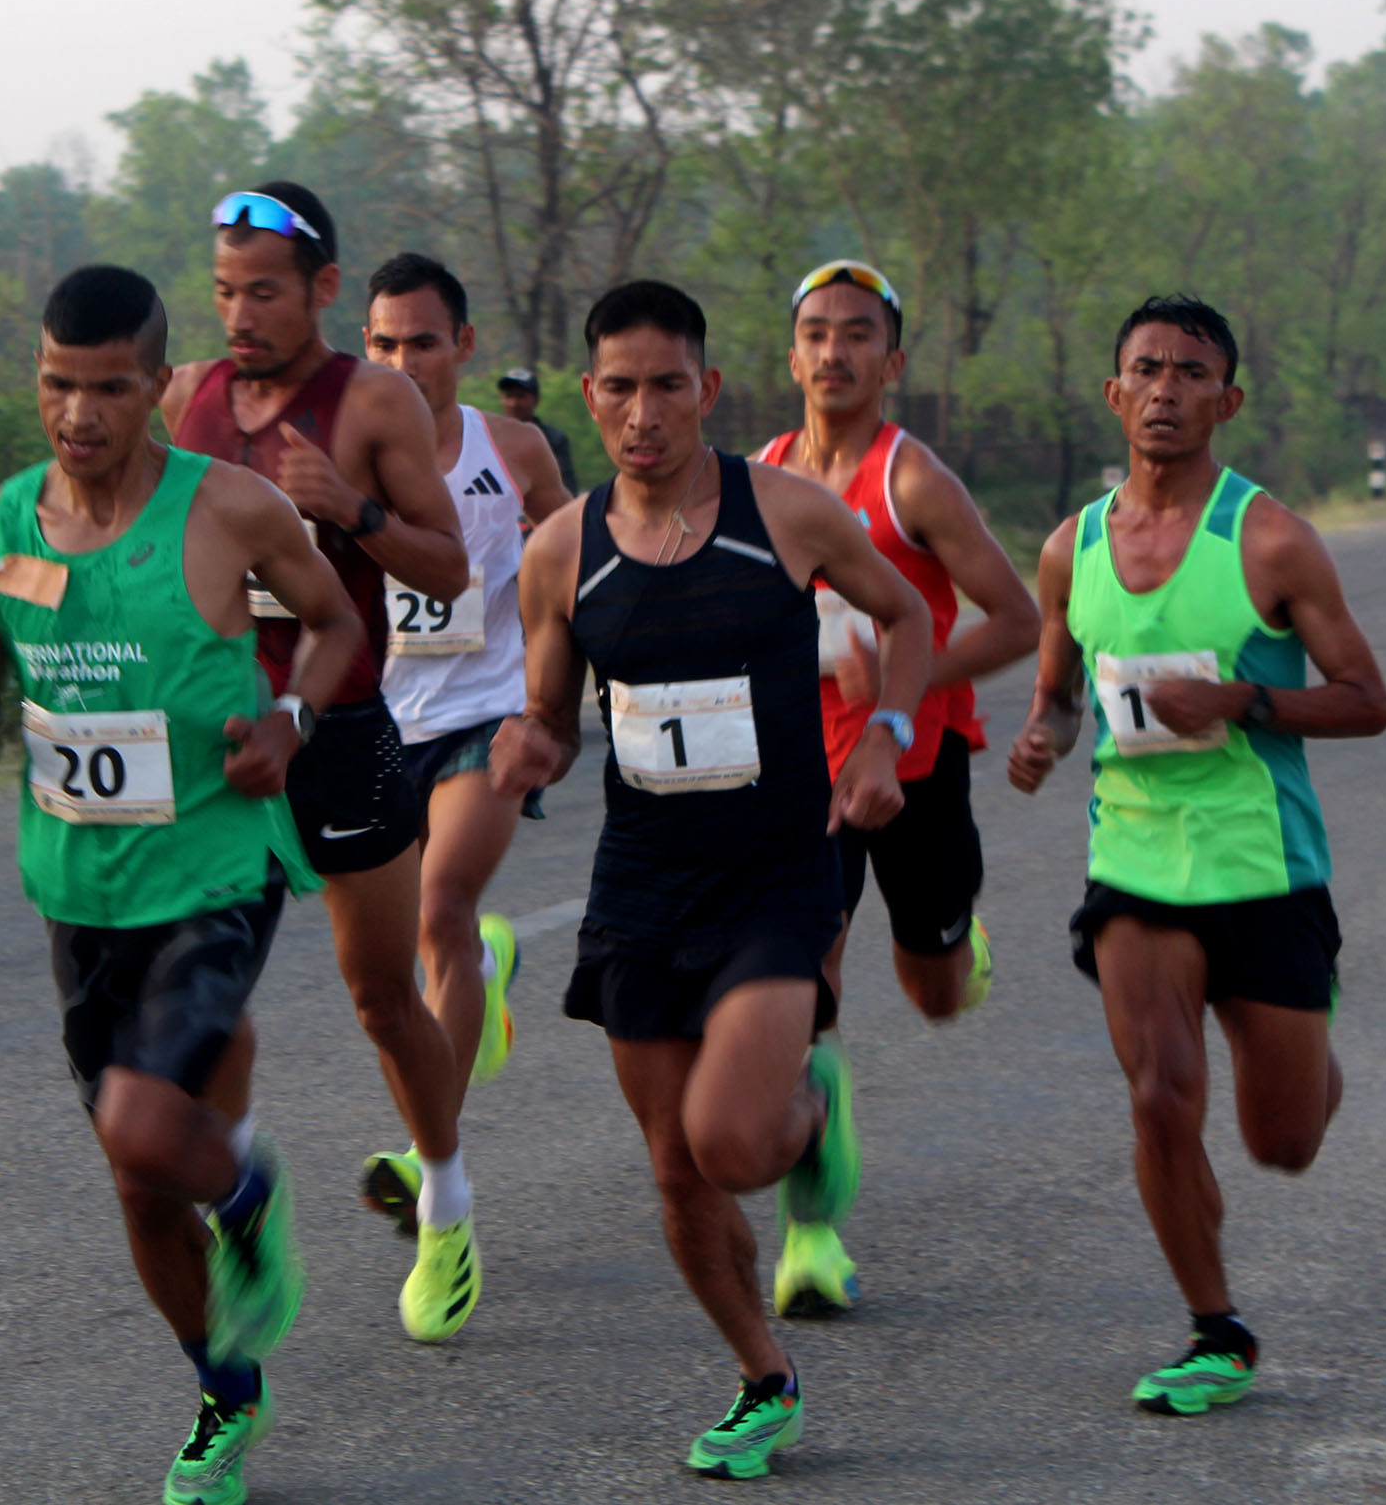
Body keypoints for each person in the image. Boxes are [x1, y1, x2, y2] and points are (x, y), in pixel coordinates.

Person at [0, 266, 366, 1505]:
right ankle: (222, 1390)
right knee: (136, 1179)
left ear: (160, 385)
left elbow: (333, 622)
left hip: (214, 868)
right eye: (59, 384)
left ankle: (252, 1196)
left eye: (110, 387)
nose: (80, 413)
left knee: (145, 1126)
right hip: (79, 889)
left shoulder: (231, 510)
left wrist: (292, 714)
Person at [491, 281, 933, 1478]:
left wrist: (887, 736)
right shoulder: (561, 552)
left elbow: (907, 619)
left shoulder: (785, 512)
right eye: (621, 389)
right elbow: (552, 712)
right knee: (676, 1168)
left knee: (734, 1142)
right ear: (591, 398)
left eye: (668, 386)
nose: (644, 413)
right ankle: (762, 1377)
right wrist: (533, 745)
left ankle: (808, 1109)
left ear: (710, 391)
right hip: (641, 883)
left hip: (779, 873)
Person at [1006, 294, 1386, 1416]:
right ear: (1114, 392)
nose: (1165, 390)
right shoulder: (1068, 550)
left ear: (1227, 399)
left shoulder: (1268, 539)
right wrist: (1042, 741)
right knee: (1162, 1091)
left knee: (1284, 1142)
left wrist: (1243, 699)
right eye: (1145, 370)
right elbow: (1059, 699)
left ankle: (1312, 1066)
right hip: (1135, 867)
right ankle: (1215, 1329)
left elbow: (1369, 702)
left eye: (1189, 372)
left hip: (1264, 867)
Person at [163, 183, 493, 1344]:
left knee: (380, 996)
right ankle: (241, 1197)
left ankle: (446, 1204)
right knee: (204, 993)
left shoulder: (374, 401)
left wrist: (348, 508)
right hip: (222, 746)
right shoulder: (185, 400)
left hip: (345, 730)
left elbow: (449, 571)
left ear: (323, 290)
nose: (240, 314)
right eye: (223, 292)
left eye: (264, 291)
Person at [751, 258, 1042, 1314]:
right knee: (802, 988)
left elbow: (1016, 618)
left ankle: (960, 949)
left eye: (857, 334)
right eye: (818, 333)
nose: (835, 351)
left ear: (892, 359)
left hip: (916, 771)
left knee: (933, 988)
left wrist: (903, 678)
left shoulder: (910, 480)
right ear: (792, 357)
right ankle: (810, 1233)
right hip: (798, 780)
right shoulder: (762, 478)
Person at [355, 253, 575, 1272]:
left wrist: (554, 704)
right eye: (386, 343)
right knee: (403, 962)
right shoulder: (339, 454)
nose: (405, 361)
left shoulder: (514, 447)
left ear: (464, 347)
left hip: (485, 719)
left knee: (441, 905)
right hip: (373, 725)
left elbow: (574, 571)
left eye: (425, 341)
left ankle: (434, 1176)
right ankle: (483, 970)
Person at [496, 365, 580, 492]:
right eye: (509, 396)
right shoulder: (489, 437)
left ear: (535, 401)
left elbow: (567, 486)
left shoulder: (553, 439)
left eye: (521, 396)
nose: (514, 403)